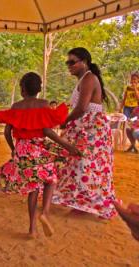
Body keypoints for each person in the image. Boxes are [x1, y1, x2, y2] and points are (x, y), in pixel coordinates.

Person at [0, 72, 80, 238]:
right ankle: (45, 213)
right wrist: (67, 145)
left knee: (33, 188)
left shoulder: (16, 107)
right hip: (39, 148)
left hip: (23, 150)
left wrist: (13, 148)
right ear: (39, 89)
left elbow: (7, 131)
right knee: (50, 180)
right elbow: (47, 131)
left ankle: (32, 229)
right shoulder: (43, 103)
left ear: (22, 89)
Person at [52, 47, 117, 219]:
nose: (69, 65)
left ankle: (102, 206)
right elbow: (79, 107)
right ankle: (82, 203)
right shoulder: (84, 79)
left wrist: (65, 121)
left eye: (72, 62)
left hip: (92, 131)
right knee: (81, 166)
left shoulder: (89, 78)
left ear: (84, 62)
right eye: (67, 62)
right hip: (87, 129)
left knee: (88, 166)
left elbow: (81, 108)